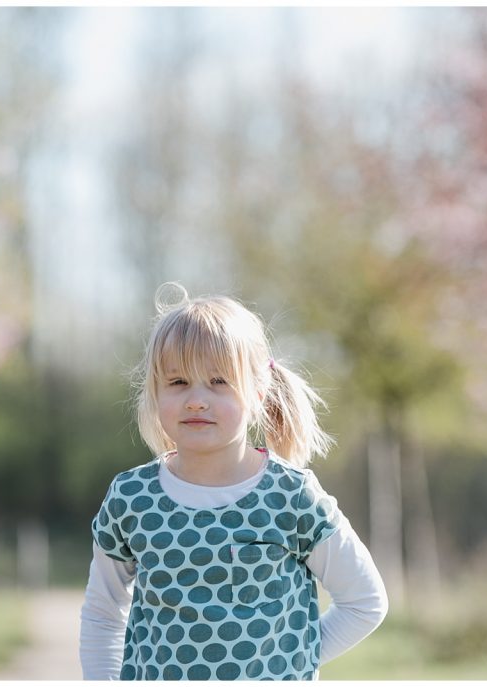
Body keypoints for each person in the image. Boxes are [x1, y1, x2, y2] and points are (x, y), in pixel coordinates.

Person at [80, 283, 388, 680]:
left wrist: (288, 662)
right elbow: (103, 614)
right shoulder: (132, 499)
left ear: (259, 394)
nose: (196, 400)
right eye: (177, 382)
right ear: (154, 393)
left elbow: (364, 602)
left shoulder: (291, 497)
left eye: (219, 382)